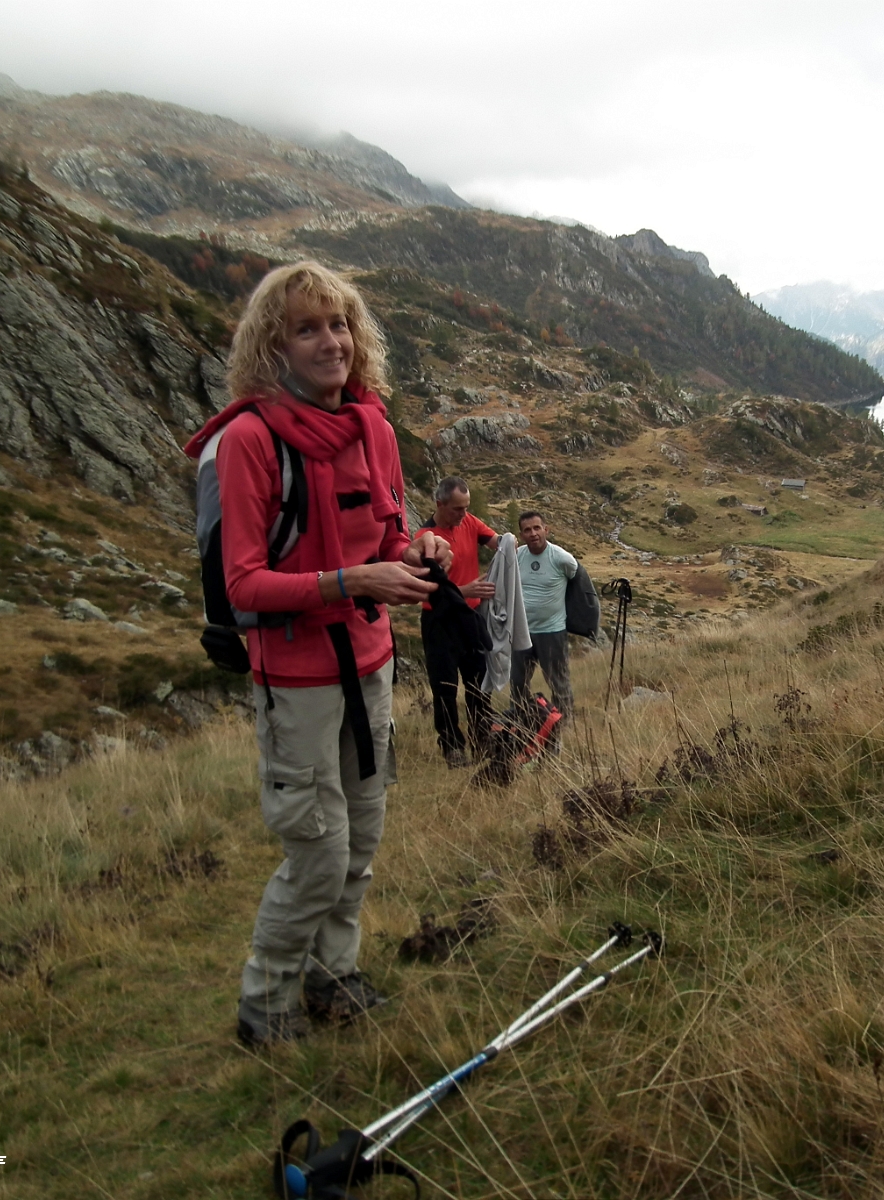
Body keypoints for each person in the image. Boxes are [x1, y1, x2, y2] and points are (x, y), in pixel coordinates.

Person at [184, 261, 451, 1047]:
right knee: (317, 849)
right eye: (307, 327)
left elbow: (392, 533)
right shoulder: (249, 441)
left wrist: (418, 547)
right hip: (294, 679)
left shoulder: (373, 426)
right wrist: (349, 580)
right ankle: (266, 1006)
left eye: (338, 325)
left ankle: (335, 978)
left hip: (368, 665)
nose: (329, 342)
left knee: (360, 840)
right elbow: (244, 585)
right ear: (275, 344)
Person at [416, 477, 497, 767]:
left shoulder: (470, 522)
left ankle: (483, 739)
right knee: (445, 686)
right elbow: (425, 589)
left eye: (467, 508)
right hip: (440, 620)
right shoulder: (425, 538)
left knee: (478, 683)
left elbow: (498, 543)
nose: (463, 515)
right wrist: (464, 592)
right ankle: (452, 747)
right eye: (457, 509)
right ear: (439, 504)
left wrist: (518, 542)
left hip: (470, 619)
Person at [511, 510, 577, 746]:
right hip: (521, 633)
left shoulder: (562, 558)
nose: (533, 533)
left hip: (552, 632)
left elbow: (578, 584)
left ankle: (564, 727)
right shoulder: (516, 556)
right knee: (518, 683)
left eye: (537, 528)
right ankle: (520, 726)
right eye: (527, 530)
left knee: (559, 683)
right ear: (521, 534)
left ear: (546, 530)